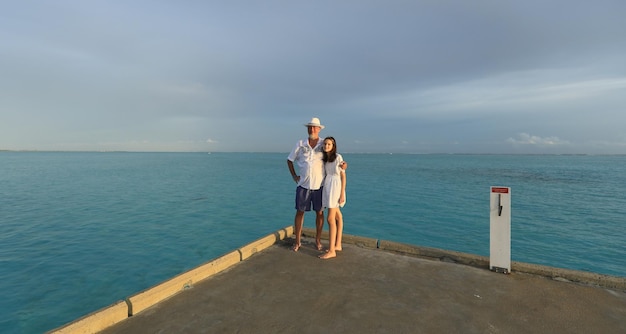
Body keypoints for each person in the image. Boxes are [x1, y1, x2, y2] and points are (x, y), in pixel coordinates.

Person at [287, 117, 346, 252]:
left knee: (320, 213)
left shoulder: (323, 143)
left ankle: (318, 241)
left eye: (315, 127)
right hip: (303, 185)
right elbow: (289, 160)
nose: (312, 129)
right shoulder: (300, 144)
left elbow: (334, 156)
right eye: (310, 127)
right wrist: (294, 176)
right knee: (300, 213)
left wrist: (343, 164)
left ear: (319, 129)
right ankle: (297, 242)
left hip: (320, 186)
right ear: (307, 128)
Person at [319, 136, 346, 260]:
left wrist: (342, 193)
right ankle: (338, 244)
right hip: (328, 185)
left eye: (329, 144)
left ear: (333, 146)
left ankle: (331, 251)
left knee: (330, 218)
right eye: (325, 144)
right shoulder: (325, 158)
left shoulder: (338, 157)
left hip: (335, 187)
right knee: (338, 216)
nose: (326, 146)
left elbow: (343, 176)